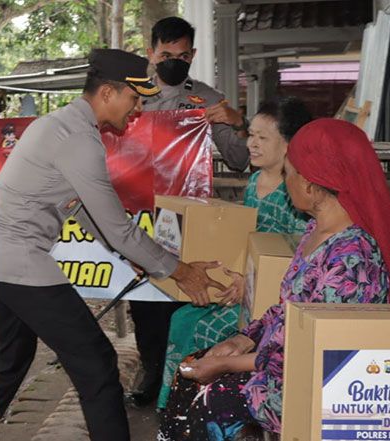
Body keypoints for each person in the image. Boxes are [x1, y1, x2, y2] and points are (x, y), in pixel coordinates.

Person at [0, 48, 232, 441]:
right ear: (107, 94)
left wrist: (134, 256)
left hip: (2, 257)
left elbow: (85, 212)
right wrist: (179, 270)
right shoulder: (77, 139)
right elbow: (117, 225)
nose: (136, 110)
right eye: (133, 99)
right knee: (97, 364)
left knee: (12, 359)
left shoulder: (60, 125)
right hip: (18, 259)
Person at [158, 118, 390, 440]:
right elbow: (286, 310)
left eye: (289, 173)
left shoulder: (351, 257)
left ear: (311, 185)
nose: (285, 181)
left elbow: (317, 350)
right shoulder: (315, 232)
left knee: (213, 399)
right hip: (279, 359)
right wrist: (241, 340)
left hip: (311, 378)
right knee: (193, 367)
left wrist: (230, 365)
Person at [126, 15, 252, 409]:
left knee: (188, 292)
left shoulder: (211, 99)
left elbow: (238, 160)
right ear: (151, 53)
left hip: (194, 215)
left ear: (193, 55)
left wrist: (238, 122)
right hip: (143, 211)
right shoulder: (133, 98)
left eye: (182, 56)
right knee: (146, 297)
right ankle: (151, 370)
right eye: (165, 55)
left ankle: (182, 373)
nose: (173, 62)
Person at [157, 97, 312, 410]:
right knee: (182, 317)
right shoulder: (255, 182)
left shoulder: (298, 191)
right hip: (244, 284)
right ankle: (175, 403)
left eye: (262, 138)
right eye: (250, 135)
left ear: (289, 144)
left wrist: (252, 283)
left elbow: (297, 258)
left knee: (205, 329)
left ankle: (203, 405)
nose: (252, 144)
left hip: (274, 297)